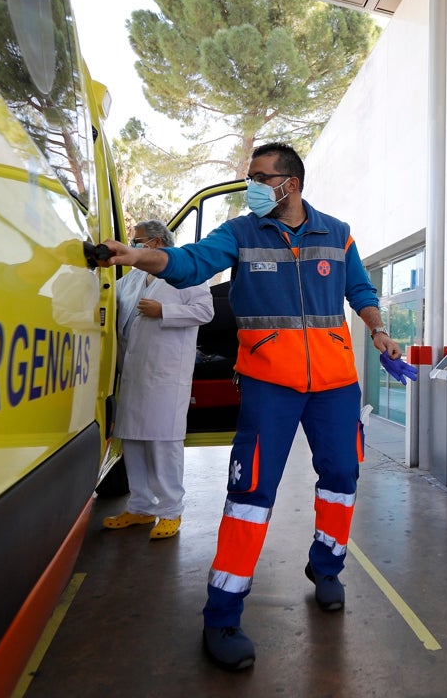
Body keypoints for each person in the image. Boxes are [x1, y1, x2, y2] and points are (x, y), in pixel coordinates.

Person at [95, 143, 404, 672]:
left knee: (342, 478)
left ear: (291, 183)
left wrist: (378, 330)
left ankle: (326, 567)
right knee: (251, 494)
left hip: (335, 384)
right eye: (250, 177)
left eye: (261, 177)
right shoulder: (240, 233)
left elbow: (359, 289)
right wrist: (137, 255)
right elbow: (191, 263)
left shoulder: (338, 233)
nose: (252, 187)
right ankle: (222, 614)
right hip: (269, 384)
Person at [102, 220, 214, 540]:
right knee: (133, 441)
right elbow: (109, 300)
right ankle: (140, 507)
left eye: (139, 241)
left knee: (163, 444)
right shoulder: (133, 277)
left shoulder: (187, 273)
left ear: (157, 243)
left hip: (166, 374)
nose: (134, 247)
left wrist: (164, 311)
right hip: (133, 373)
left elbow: (205, 311)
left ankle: (170, 511)